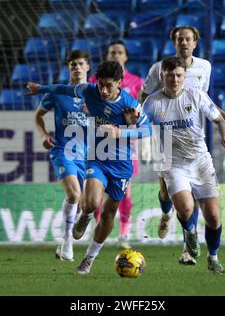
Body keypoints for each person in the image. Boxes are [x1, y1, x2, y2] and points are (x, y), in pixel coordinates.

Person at [27, 61, 152, 275]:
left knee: (108, 215)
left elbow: (147, 130)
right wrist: (42, 88)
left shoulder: (130, 104)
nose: (103, 90)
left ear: (120, 83)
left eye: (109, 86)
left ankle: (89, 259)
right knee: (91, 203)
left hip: (122, 166)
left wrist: (121, 132)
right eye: (101, 84)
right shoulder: (89, 90)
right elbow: (64, 89)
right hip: (97, 158)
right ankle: (85, 214)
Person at [138, 26, 225, 265]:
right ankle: (168, 215)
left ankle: (200, 252)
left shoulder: (204, 68)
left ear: (195, 42)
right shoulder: (157, 70)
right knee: (175, 198)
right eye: (179, 39)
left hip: (194, 141)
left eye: (187, 39)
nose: (183, 42)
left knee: (208, 212)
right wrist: (138, 122)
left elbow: (205, 99)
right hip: (166, 140)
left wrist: (221, 117)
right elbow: (143, 98)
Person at [32, 50, 90, 261]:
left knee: (83, 203)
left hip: (88, 156)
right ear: (68, 68)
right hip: (62, 150)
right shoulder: (57, 92)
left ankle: (66, 241)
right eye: (72, 64)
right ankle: (67, 241)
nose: (76, 67)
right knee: (74, 194)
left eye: (80, 64)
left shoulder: (95, 93)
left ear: (87, 68)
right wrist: (44, 134)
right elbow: (38, 116)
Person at [89, 40, 144, 249]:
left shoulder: (136, 81)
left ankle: (124, 233)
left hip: (125, 145)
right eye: (112, 52)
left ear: (126, 57)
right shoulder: (96, 82)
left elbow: (141, 112)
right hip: (98, 144)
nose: (116, 55)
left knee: (124, 192)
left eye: (120, 52)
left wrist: (133, 125)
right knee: (96, 191)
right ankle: (97, 227)